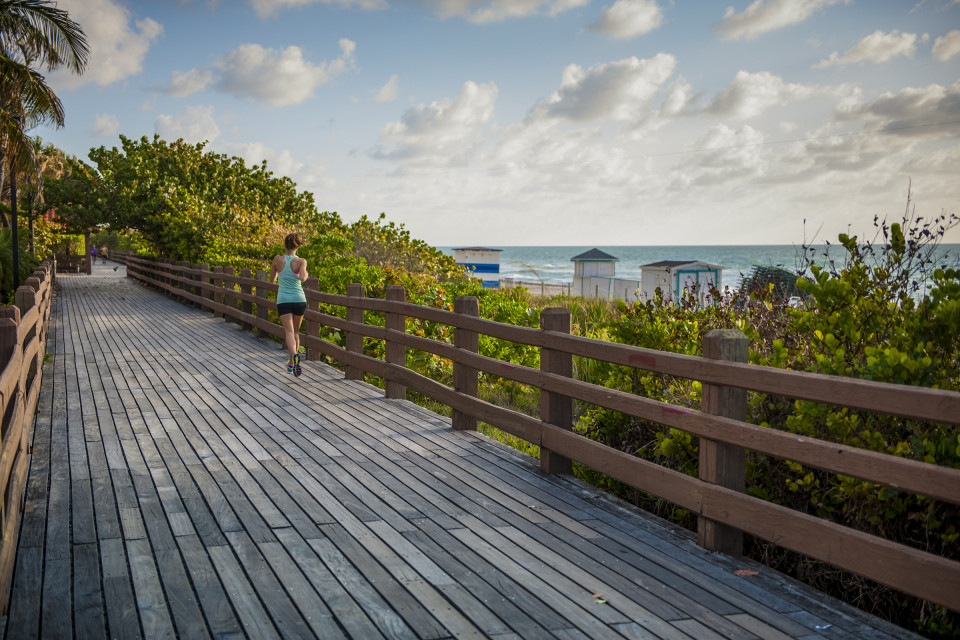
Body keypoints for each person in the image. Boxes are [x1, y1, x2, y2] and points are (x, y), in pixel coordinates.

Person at [270, 233, 308, 376]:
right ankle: (292, 362)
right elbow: (303, 278)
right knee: (296, 332)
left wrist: (279, 273)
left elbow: (272, 280)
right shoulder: (301, 261)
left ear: (285, 245)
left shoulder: (277, 259)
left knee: (289, 332)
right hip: (299, 299)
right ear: (298, 246)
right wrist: (306, 273)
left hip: (284, 299)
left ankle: (294, 357)